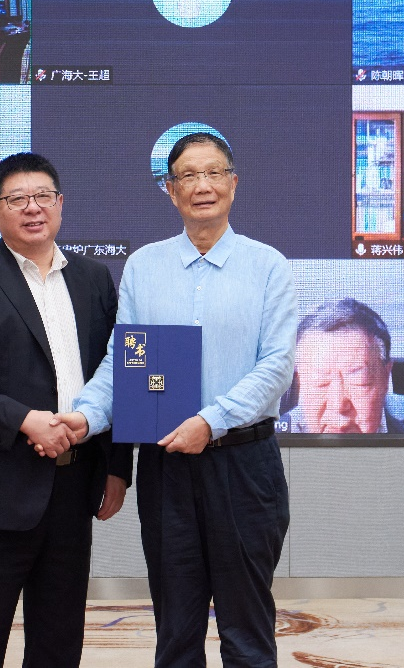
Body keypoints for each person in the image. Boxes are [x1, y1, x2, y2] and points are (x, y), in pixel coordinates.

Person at [64, 132, 297, 668]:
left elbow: (276, 366)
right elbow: (125, 365)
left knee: (247, 631)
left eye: (213, 172)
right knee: (175, 630)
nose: (202, 186)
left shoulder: (268, 266)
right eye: (188, 176)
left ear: (233, 183)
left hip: (244, 466)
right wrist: (85, 416)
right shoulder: (144, 267)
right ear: (170, 191)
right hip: (166, 467)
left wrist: (210, 422)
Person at [0, 153, 132, 668]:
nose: (33, 208)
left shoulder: (94, 279)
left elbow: (116, 372)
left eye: (43, 196)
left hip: (74, 487)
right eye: (17, 199)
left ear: (60, 204)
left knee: (58, 643)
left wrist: (116, 466)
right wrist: (25, 420)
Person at [279, 299, 404, 434]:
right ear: (300, 380)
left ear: (386, 377)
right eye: (320, 381)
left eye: (358, 381)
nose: (338, 405)